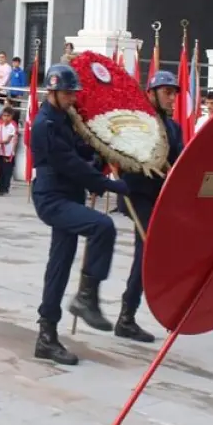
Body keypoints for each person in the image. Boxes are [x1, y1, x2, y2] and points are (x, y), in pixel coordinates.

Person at [29, 64, 130, 366]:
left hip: (70, 195)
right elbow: (70, 164)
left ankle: (46, 336)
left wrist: (100, 152)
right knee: (102, 226)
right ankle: (87, 297)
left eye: (74, 93)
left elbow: (80, 153)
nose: (73, 98)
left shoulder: (65, 118)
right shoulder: (45, 124)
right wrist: (111, 185)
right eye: (68, 93)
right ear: (53, 92)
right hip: (52, 199)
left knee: (59, 265)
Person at [119, 70, 184, 344]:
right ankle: (126, 317)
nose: (172, 98)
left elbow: (181, 160)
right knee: (146, 253)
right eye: (167, 92)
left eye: (174, 93)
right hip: (138, 196)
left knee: (159, 255)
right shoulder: (139, 122)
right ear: (152, 93)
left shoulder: (174, 128)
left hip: (161, 197)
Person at [0, 107, 17, 195]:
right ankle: (1, 188)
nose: (5, 118)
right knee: (1, 171)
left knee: (7, 171)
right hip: (0, 152)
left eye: (8, 116)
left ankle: (5, 188)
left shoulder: (12, 127)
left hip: (8, 153)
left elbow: (7, 140)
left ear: (11, 117)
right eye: (4, 116)